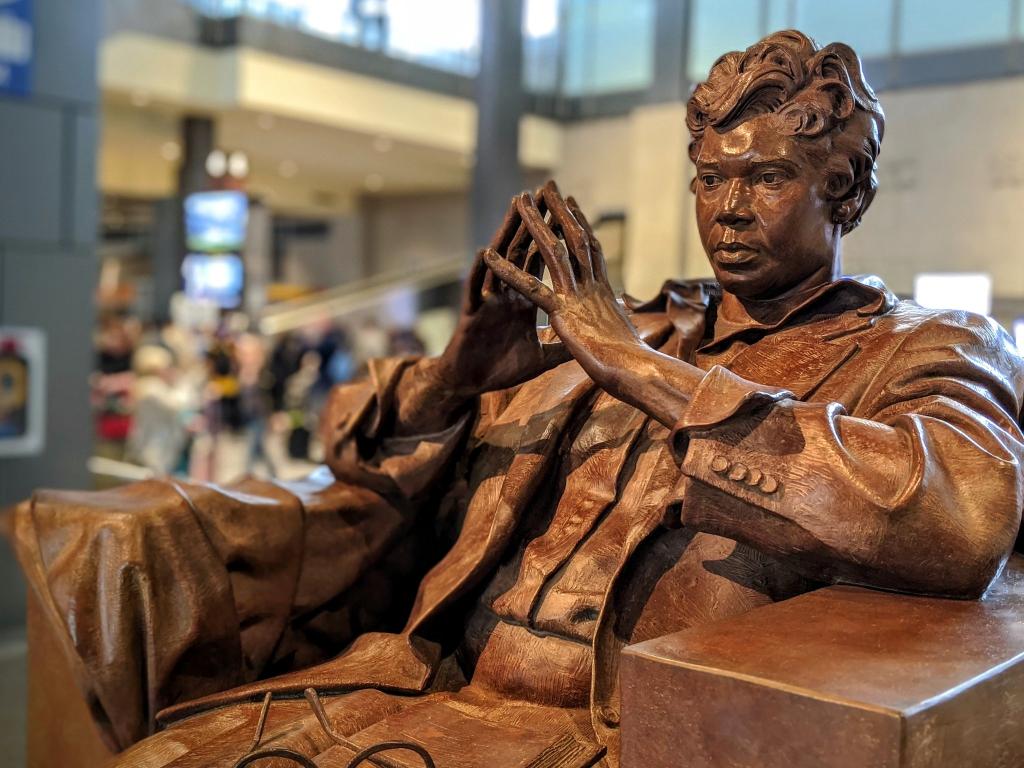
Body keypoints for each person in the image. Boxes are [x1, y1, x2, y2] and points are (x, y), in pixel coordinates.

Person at [14, 31, 1024, 768]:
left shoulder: (921, 350)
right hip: (420, 688)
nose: (724, 209)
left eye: (763, 178)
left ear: (841, 191)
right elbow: (346, 452)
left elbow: (959, 516)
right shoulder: (629, 321)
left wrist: (638, 370)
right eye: (708, 179)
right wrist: (464, 369)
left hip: (599, 738)